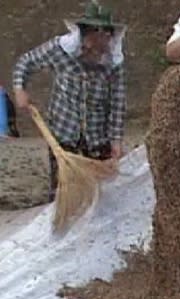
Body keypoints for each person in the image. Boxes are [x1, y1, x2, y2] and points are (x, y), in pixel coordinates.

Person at [13, 1, 127, 202]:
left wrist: (115, 140)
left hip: (96, 139)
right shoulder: (60, 50)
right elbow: (26, 62)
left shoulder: (113, 62)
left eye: (109, 36)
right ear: (88, 35)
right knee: (63, 193)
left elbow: (117, 102)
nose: (105, 43)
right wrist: (19, 88)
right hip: (64, 134)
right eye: (100, 36)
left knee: (100, 195)